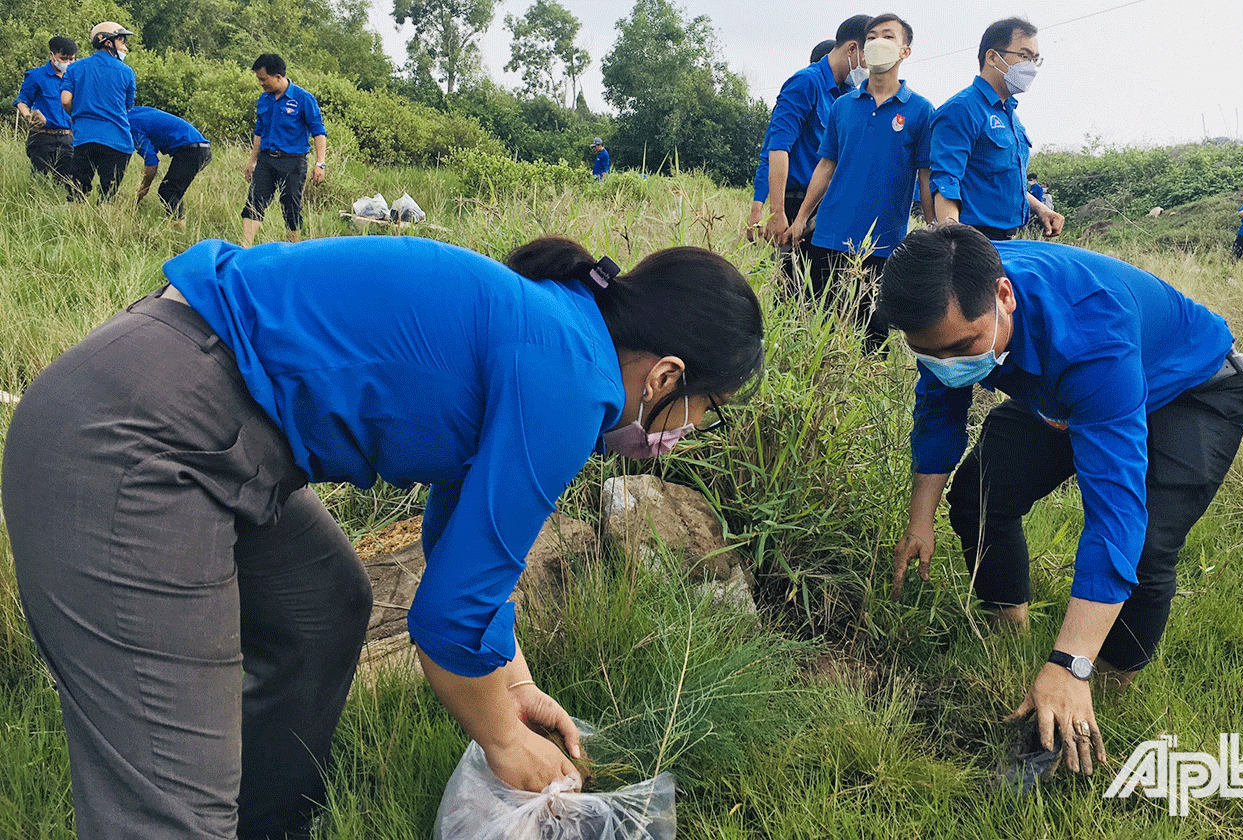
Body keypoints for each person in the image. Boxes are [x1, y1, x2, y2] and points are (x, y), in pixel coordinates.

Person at [2, 234, 764, 839]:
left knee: (321, 606)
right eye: (711, 410)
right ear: (666, 376)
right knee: (171, 807)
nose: (693, 434)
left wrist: (517, 685)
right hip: (139, 434)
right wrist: (503, 738)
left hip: (205, 414)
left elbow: (464, 551)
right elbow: (444, 624)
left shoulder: (558, 331)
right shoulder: (570, 378)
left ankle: (268, 829)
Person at [879, 225, 1243, 776]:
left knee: (1145, 546)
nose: (948, 363)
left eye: (962, 348)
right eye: (927, 352)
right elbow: (939, 410)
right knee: (982, 493)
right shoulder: (943, 294)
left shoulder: (1089, 329)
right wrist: (919, 522)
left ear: (1004, 296)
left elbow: (1114, 513)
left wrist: (1070, 663)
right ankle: (1010, 631)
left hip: (1187, 390)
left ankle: (1104, 680)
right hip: (1061, 393)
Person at [787, 14, 935, 353]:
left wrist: (933, 229)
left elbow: (926, 176)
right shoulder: (843, 106)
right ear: (863, 49)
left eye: (888, 36)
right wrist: (800, 218)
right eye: (871, 36)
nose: (877, 42)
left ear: (904, 51)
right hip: (829, 236)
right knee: (819, 334)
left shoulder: (921, 111)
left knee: (872, 344)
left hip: (881, 246)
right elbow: (826, 165)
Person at [752, 16, 871, 279]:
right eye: (869, 55)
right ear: (852, 49)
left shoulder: (847, 98)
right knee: (784, 281)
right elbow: (777, 148)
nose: (870, 67)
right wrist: (775, 211)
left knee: (817, 288)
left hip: (823, 209)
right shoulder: (806, 83)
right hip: (794, 203)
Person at [929, 18, 1062, 240]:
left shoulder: (1009, 114)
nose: (1030, 67)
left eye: (1035, 59)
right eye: (1024, 56)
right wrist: (954, 245)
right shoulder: (962, 109)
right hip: (974, 237)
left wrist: (1040, 208)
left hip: (1008, 238)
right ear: (992, 57)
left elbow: (1000, 180)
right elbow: (946, 180)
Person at [241, 53, 327, 247]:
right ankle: (244, 248)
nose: (261, 83)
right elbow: (259, 132)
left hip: (293, 162)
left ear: (278, 77)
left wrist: (320, 163)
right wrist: (252, 160)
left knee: (290, 206)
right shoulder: (264, 100)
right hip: (266, 160)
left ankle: (292, 248)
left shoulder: (303, 99)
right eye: (259, 79)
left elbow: (318, 132)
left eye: (263, 79)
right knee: (254, 202)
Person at [61, 22, 136, 202]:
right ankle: (103, 225)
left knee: (77, 191)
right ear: (108, 42)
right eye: (122, 41)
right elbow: (127, 107)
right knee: (108, 195)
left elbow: (65, 100)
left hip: (84, 137)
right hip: (117, 140)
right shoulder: (127, 72)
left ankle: (74, 225)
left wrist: (77, 113)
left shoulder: (75, 67)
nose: (125, 47)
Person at [128, 106, 213, 228]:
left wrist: (144, 187)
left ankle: (178, 228)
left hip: (192, 150)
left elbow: (152, 162)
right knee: (172, 189)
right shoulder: (135, 111)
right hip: (200, 147)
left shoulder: (131, 126)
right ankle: (175, 223)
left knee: (168, 191)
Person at [12, 36, 78, 187]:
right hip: (43, 136)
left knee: (66, 182)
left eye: (71, 59)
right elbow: (22, 101)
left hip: (68, 137)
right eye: (63, 58)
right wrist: (29, 116)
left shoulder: (74, 77)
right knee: (39, 180)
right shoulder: (36, 75)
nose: (67, 63)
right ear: (52, 55)